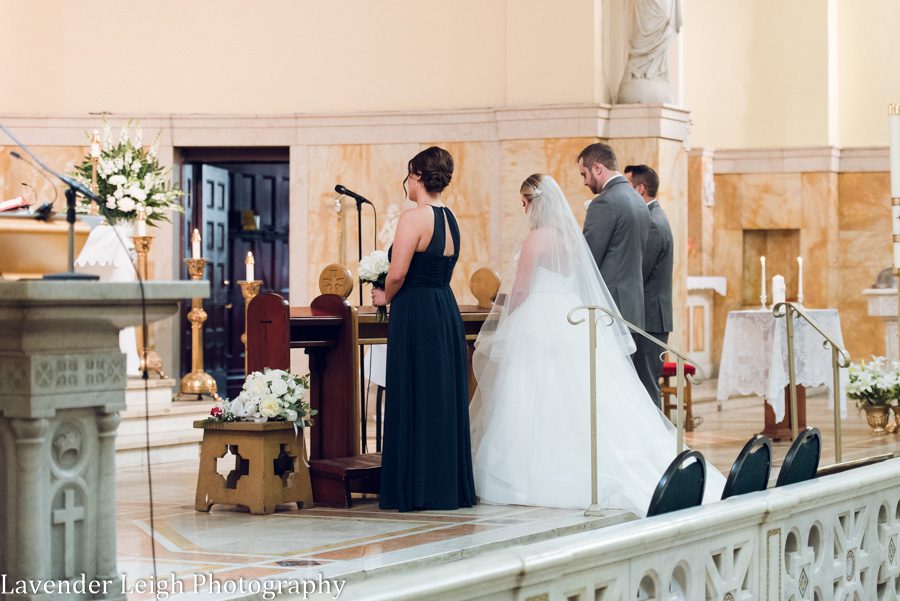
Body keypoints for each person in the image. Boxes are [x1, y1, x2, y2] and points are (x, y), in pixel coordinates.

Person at [469, 174, 723, 515]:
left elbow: (522, 289)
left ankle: (531, 469)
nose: (524, 210)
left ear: (533, 203)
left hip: (538, 319)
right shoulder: (569, 240)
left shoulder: (535, 239)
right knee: (581, 396)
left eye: (524, 203)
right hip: (571, 318)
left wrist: (502, 311)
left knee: (533, 394)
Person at [372, 146, 476, 512]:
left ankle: (415, 488)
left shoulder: (413, 218)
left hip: (415, 310)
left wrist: (384, 295)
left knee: (413, 392)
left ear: (415, 175)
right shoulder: (451, 218)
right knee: (439, 396)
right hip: (444, 309)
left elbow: (398, 272)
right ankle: (446, 485)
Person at [624, 164, 673, 406]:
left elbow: (639, 272)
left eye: (627, 186)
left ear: (640, 189)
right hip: (650, 317)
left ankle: (658, 442)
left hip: (650, 318)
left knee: (646, 386)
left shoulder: (653, 222)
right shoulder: (653, 217)